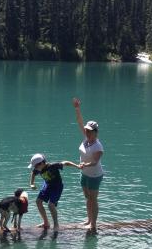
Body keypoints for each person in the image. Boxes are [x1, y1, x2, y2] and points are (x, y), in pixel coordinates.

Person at [72, 97, 104, 233]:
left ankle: (93, 225)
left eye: (90, 131)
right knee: (87, 197)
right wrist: (77, 108)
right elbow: (79, 122)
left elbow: (95, 162)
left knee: (93, 198)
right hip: (84, 173)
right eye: (87, 130)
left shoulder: (98, 146)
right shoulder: (86, 139)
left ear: (96, 132)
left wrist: (84, 164)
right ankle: (89, 219)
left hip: (95, 175)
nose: (87, 132)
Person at [28, 153, 80, 230]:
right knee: (38, 201)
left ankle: (56, 224)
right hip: (47, 185)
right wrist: (32, 183)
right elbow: (33, 173)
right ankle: (46, 222)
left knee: (51, 205)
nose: (35, 168)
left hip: (57, 187)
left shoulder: (53, 166)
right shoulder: (38, 169)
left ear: (42, 163)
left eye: (36, 166)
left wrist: (77, 166)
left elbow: (66, 163)